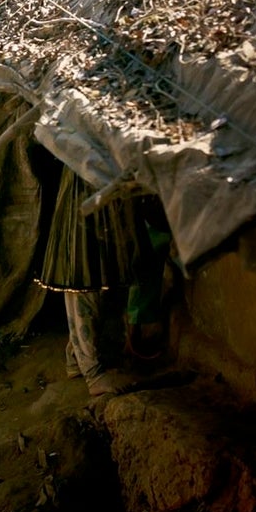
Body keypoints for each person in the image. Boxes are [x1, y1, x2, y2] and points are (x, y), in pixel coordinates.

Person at [37, 166, 156, 397]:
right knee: (85, 277)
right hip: (85, 181)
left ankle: (77, 358)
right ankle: (93, 372)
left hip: (100, 181)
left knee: (101, 274)